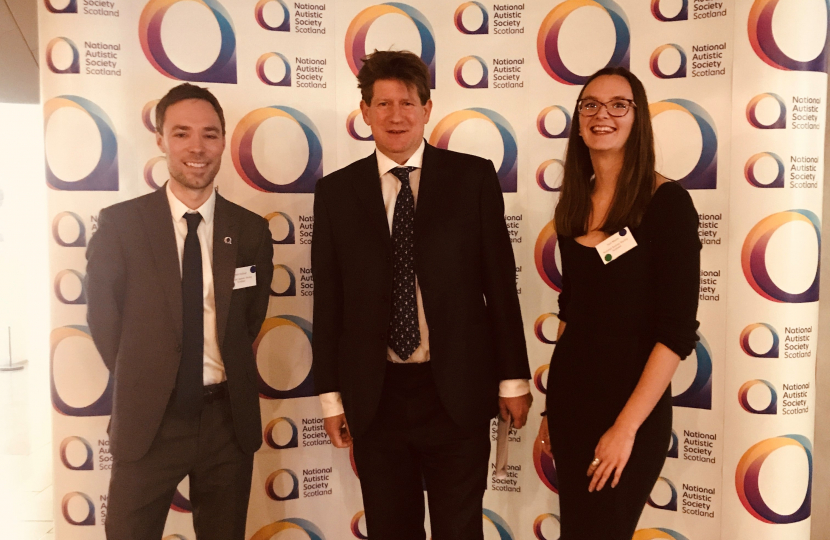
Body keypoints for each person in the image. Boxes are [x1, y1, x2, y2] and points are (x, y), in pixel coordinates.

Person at [311, 50, 532, 540]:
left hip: (456, 393)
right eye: (383, 103)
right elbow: (328, 304)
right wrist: (331, 398)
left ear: (427, 108)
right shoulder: (335, 194)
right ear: (364, 111)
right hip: (376, 398)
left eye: (407, 102)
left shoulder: (472, 178)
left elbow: (500, 285)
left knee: (459, 531)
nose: (396, 115)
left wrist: (513, 378)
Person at [86, 83, 274, 540]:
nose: (197, 147)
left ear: (224, 142)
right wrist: (149, 375)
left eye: (210, 134)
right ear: (160, 139)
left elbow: (250, 316)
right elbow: (103, 321)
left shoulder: (250, 231)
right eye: (182, 133)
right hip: (150, 419)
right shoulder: (120, 225)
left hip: (227, 422)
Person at [535, 67, 701, 539]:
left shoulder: (667, 203)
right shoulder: (573, 204)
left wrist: (624, 430)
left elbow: (675, 333)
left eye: (617, 105)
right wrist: (551, 407)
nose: (601, 114)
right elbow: (573, 311)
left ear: (637, 117)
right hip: (571, 405)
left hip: (631, 411)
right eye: (590, 104)